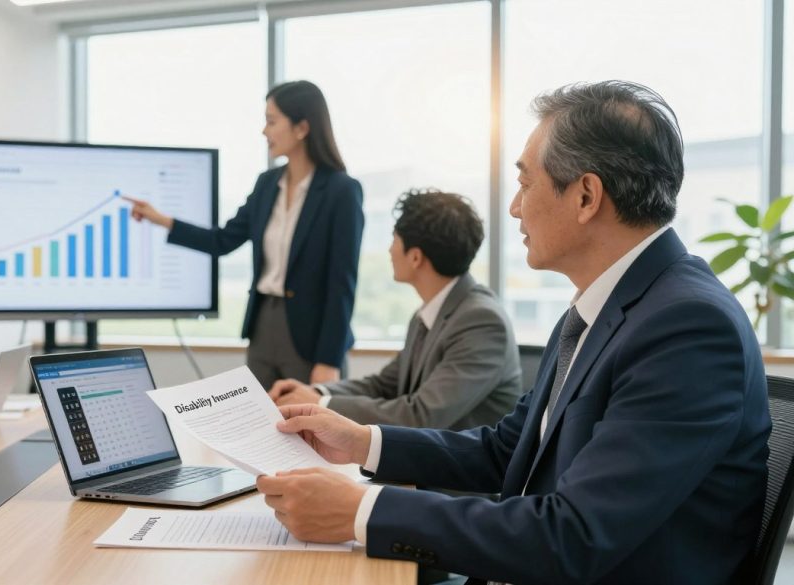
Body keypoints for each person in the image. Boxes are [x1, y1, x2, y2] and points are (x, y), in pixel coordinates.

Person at [256, 81, 770, 584]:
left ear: (587, 196)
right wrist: (362, 442)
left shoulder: (687, 329)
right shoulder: (603, 306)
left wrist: (361, 510)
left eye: (526, 183)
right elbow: (509, 450)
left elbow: (574, 536)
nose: (514, 208)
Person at [127, 80, 364, 388]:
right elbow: (222, 240)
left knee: (307, 427)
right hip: (264, 324)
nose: (264, 131)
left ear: (302, 127)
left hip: (312, 334)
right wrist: (162, 220)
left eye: (272, 121)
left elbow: (341, 284)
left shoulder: (341, 191)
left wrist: (329, 360)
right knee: (259, 424)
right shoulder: (267, 184)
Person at [268, 189, 521, 430]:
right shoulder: (429, 314)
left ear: (415, 257)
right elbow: (384, 385)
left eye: (395, 239)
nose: (389, 250)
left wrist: (320, 406)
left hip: (462, 472)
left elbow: (421, 415)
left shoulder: (482, 321)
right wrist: (318, 392)